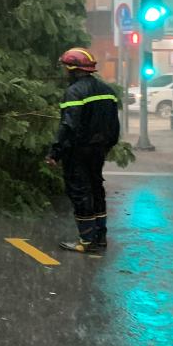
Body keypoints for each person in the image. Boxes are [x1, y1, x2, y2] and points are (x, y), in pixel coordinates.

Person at [46, 48, 120, 253]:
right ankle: (100, 237)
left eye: (65, 68)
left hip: (77, 151)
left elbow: (68, 125)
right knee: (96, 189)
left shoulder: (74, 92)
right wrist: (106, 146)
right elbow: (114, 125)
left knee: (80, 192)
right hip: (98, 150)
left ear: (72, 69)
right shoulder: (108, 91)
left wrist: (55, 152)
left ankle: (86, 241)